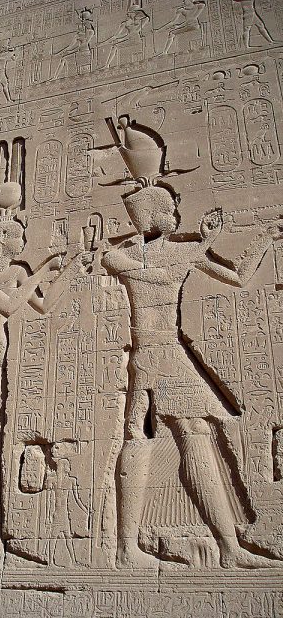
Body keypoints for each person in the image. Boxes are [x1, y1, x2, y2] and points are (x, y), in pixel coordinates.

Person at [102, 116, 283, 569]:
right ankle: (225, 547)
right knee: (193, 441)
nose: (178, 215)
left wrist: (145, 221)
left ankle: (128, 548)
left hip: (144, 359)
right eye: (171, 211)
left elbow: (107, 253)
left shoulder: (123, 259)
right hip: (168, 357)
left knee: (138, 440)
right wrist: (258, 238)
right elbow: (240, 277)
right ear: (161, 218)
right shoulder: (184, 252)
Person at [0, 182, 88, 563]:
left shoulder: (15, 272)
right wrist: (43, 268)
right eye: (18, 234)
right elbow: (11, 306)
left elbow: (43, 305)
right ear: (0, 238)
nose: (22, 240)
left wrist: (73, 267)